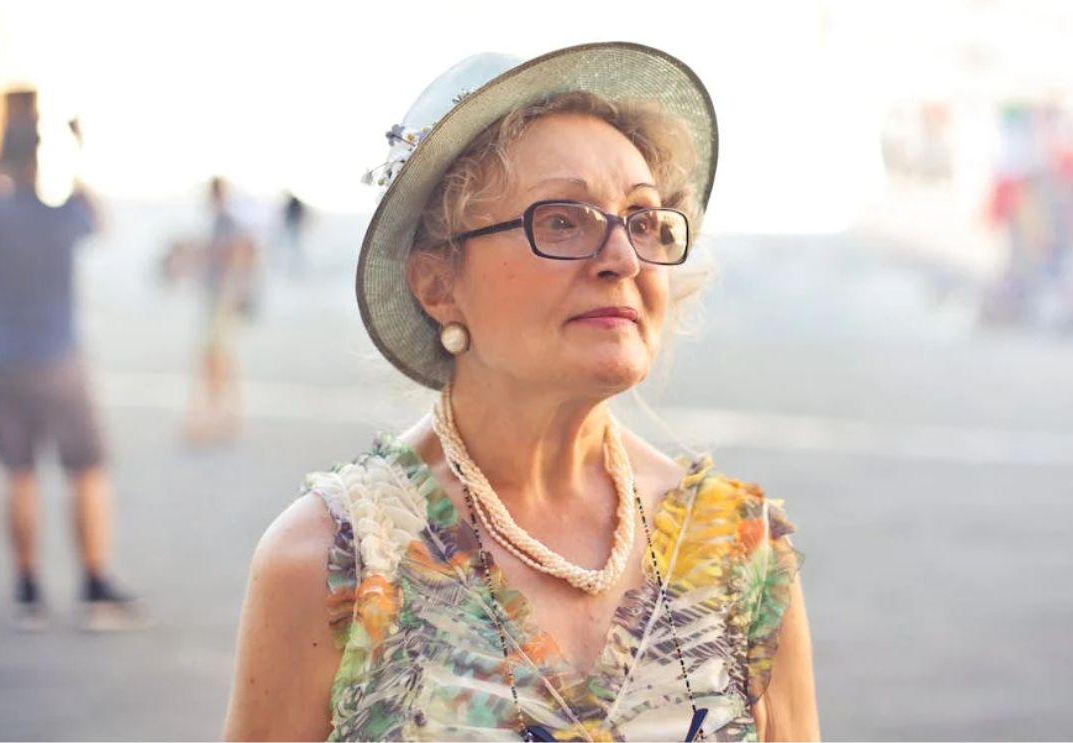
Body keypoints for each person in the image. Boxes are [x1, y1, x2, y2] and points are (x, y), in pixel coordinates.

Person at [224, 43, 819, 741]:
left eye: (642, 219)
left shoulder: (737, 549)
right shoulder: (336, 561)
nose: (623, 259)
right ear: (437, 284)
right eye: (562, 220)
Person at [0, 101, 145, 632]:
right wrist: (77, 151)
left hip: (3, 355)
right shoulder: (61, 217)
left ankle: (28, 592)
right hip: (58, 358)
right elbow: (99, 217)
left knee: (19, 472)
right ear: (40, 160)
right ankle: (95, 585)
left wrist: (4, 143)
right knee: (87, 469)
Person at [184, 176, 258, 445]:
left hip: (220, 300)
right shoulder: (224, 221)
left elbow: (239, 255)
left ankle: (213, 418)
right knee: (221, 360)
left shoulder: (225, 222)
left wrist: (229, 294)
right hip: (219, 299)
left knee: (214, 361)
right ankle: (226, 417)